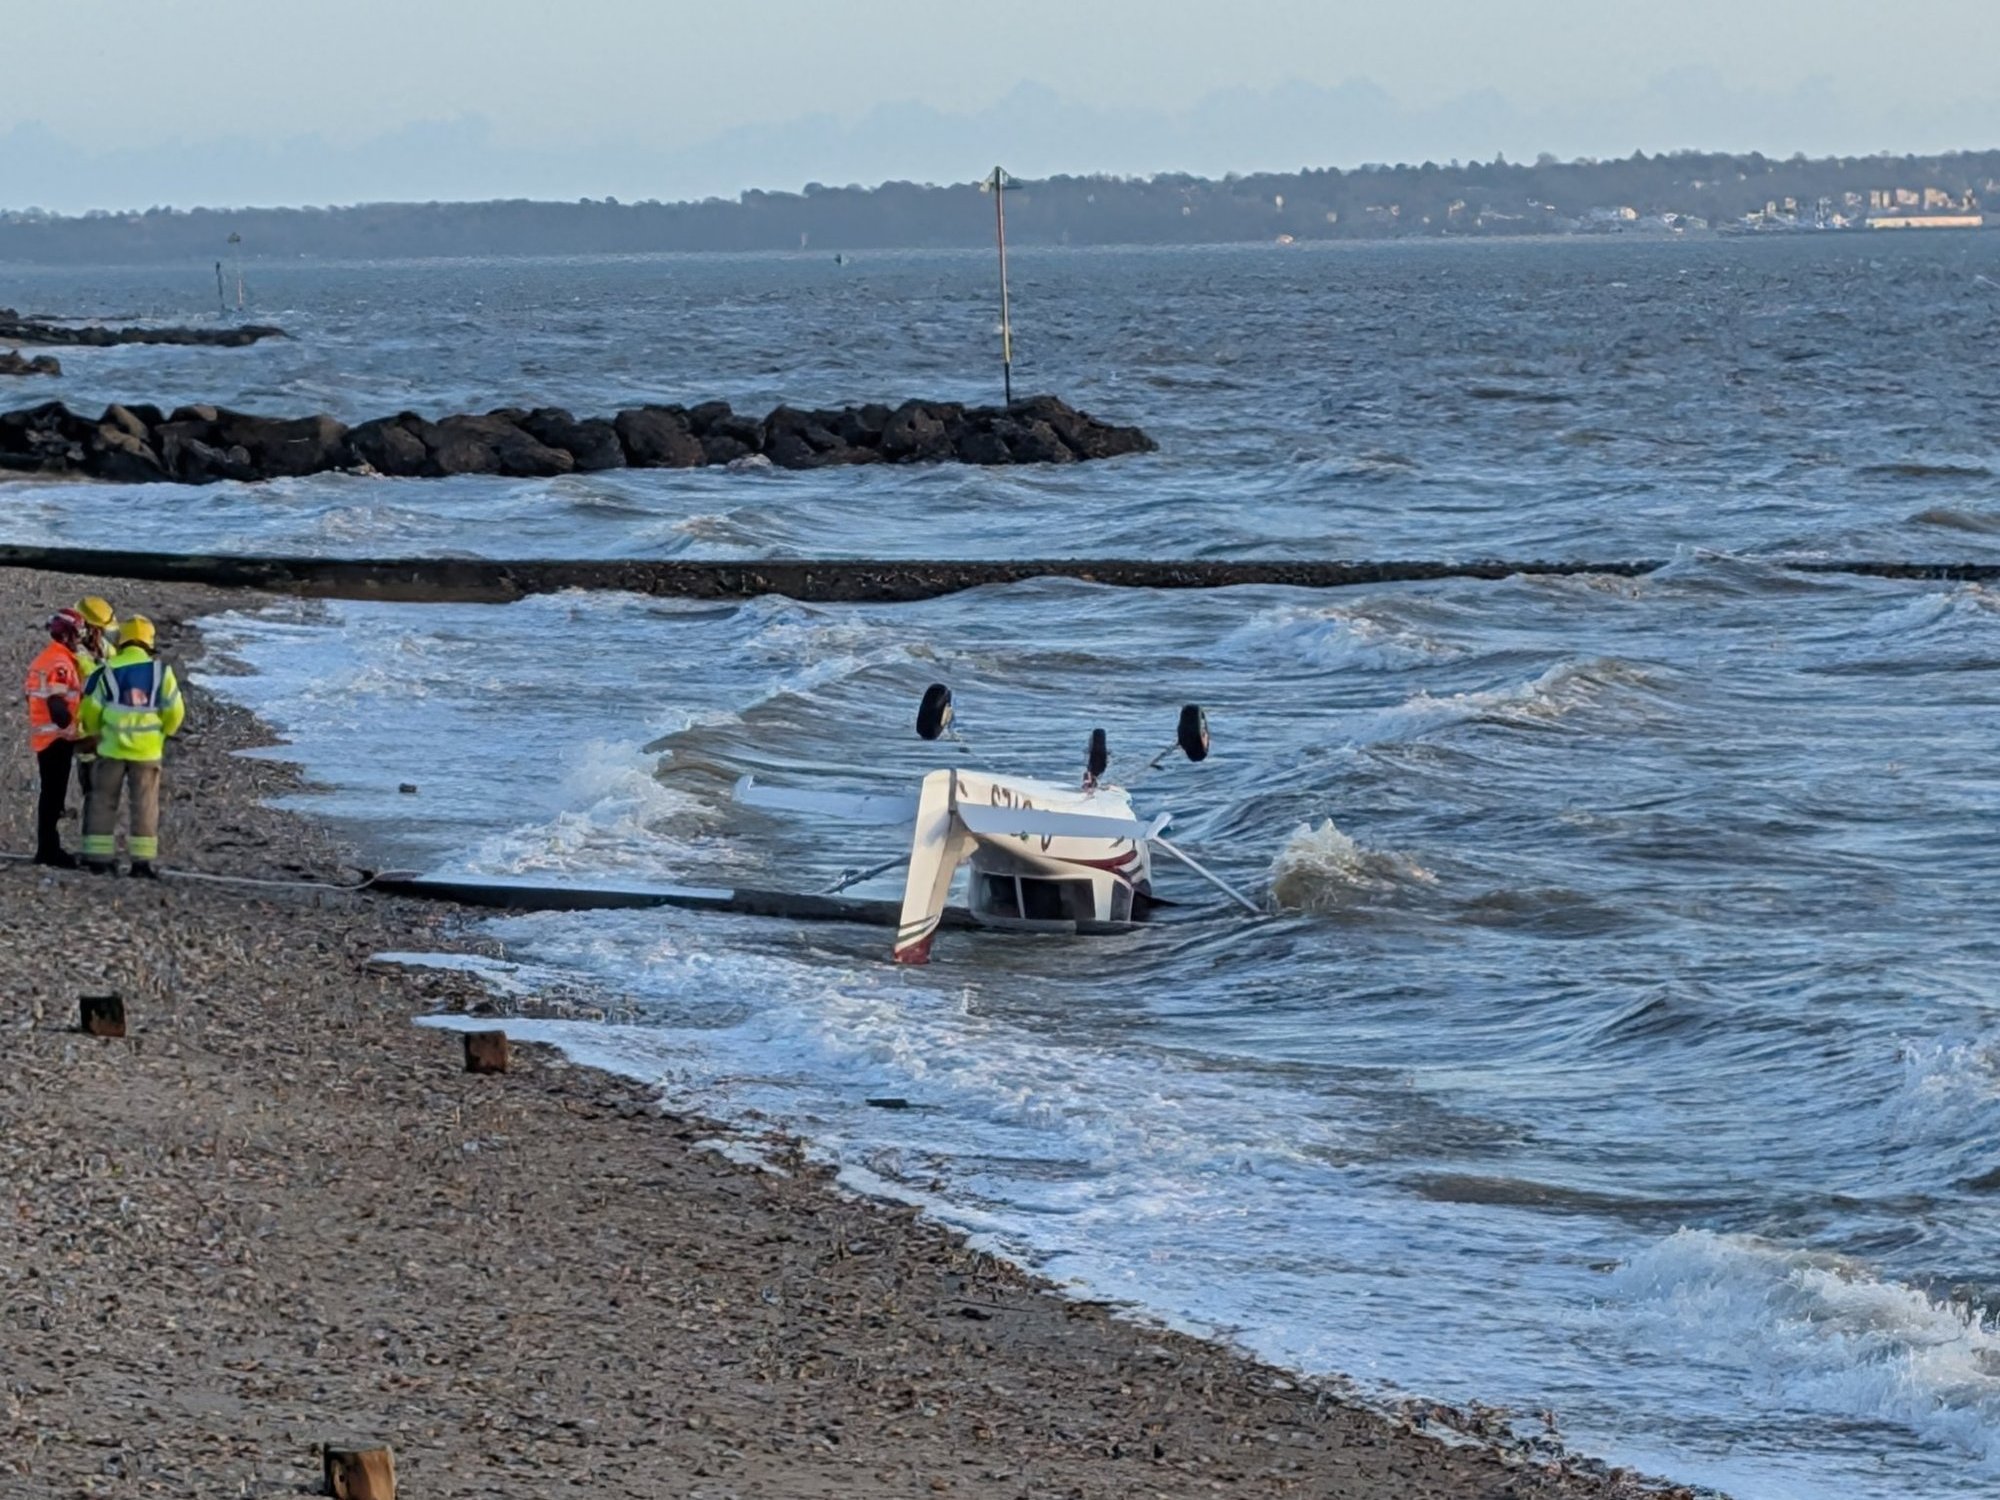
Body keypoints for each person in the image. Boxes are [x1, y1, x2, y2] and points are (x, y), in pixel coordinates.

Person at [77, 614, 184, 877]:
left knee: (102, 801)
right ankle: (141, 864)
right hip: (147, 751)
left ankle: (98, 859)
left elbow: (90, 710)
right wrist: (162, 734)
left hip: (111, 749)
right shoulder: (161, 673)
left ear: (122, 641)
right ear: (149, 642)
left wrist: (96, 732)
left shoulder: (108, 671)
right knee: (145, 805)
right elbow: (175, 712)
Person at [23, 607, 87, 867]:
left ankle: (48, 847)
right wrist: (73, 727)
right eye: (79, 633)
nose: (81, 638)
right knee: (52, 796)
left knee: (50, 795)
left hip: (44, 737)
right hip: (56, 739)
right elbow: (57, 704)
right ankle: (49, 850)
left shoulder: (45, 659)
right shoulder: (61, 664)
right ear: (69, 634)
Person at [72, 595, 116, 822]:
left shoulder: (105, 649)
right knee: (92, 784)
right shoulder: (74, 654)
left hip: (101, 727)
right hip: (84, 730)